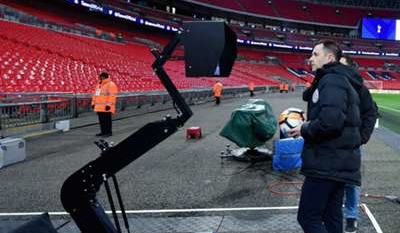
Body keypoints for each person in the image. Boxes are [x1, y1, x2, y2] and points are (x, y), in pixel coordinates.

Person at [288, 40, 362, 233]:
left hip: (326, 162)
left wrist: (305, 128)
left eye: (315, 54)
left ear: (329, 58)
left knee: (307, 217)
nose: (310, 58)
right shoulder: (340, 79)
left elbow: (331, 122)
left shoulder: (332, 80)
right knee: (332, 216)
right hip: (338, 162)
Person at [340, 54, 378, 233]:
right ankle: (334, 210)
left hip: (352, 144)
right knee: (331, 179)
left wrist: (362, 137)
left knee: (351, 181)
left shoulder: (360, 89)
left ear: (349, 68)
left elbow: (371, 112)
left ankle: (351, 216)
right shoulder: (329, 84)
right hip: (329, 144)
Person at [91, 71, 118, 137]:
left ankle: (108, 132)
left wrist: (108, 105)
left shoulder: (111, 84)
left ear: (103, 77)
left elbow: (112, 96)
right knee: (102, 121)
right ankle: (103, 132)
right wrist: (93, 103)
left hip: (106, 107)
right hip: (99, 107)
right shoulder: (99, 85)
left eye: (101, 76)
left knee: (107, 121)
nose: (99, 78)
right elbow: (95, 95)